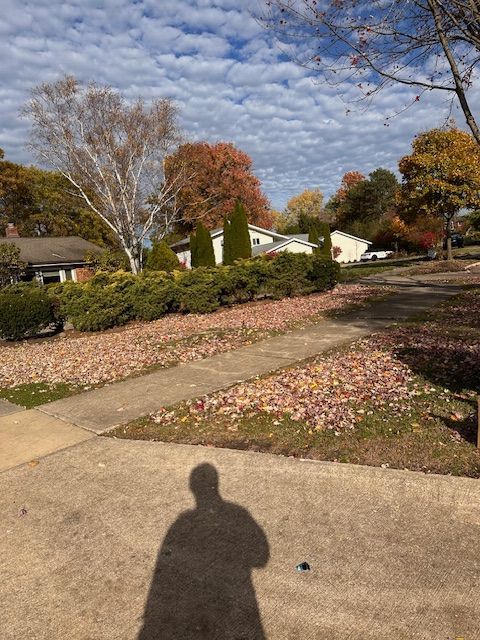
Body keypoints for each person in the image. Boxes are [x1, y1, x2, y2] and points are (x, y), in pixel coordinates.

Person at [138, 463, 269, 639]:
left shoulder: (182, 523)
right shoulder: (237, 513)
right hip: (232, 602)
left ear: (192, 488)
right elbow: (261, 558)